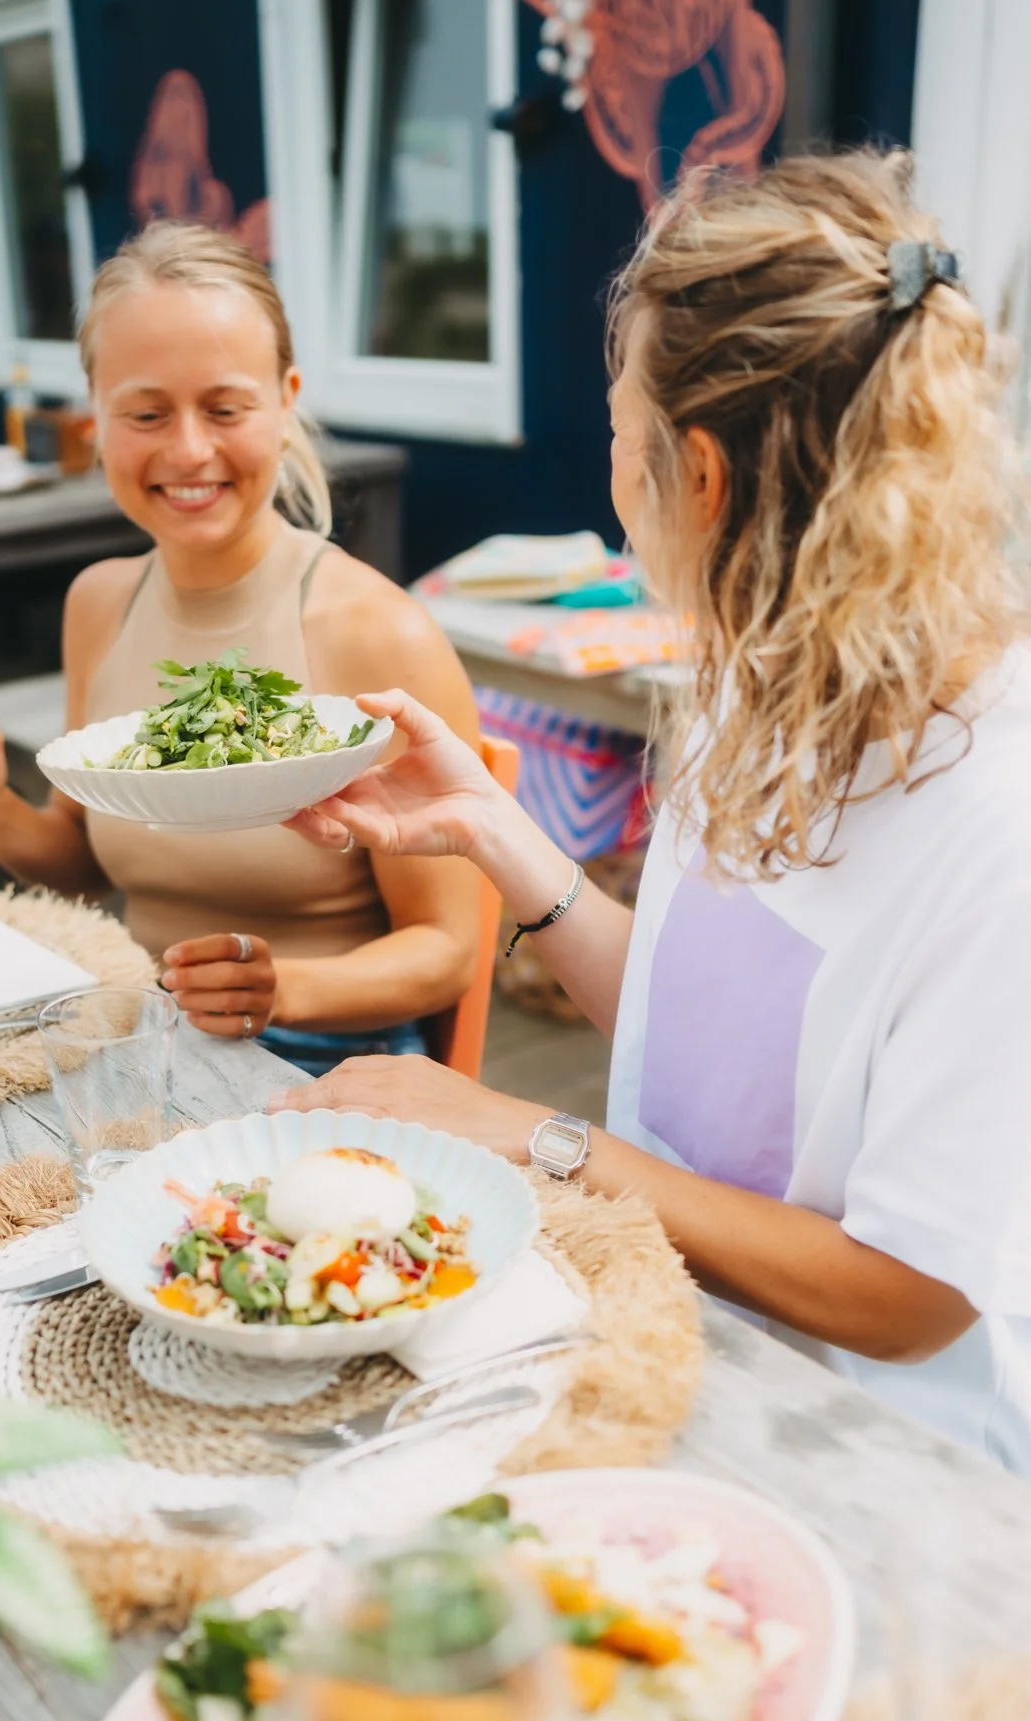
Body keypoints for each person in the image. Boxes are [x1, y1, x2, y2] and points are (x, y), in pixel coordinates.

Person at [275, 152, 1031, 1472]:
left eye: (618, 442)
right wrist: (502, 842)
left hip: (875, 1470)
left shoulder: (995, 823)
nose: (612, 486)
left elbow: (906, 1299)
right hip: (666, 1350)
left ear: (700, 475)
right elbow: (702, 1064)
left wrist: (530, 1135)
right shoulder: (762, 668)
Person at [0, 222, 480, 1077]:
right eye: (145, 413)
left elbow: (447, 948)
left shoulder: (375, 632)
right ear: (95, 418)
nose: (188, 450)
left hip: (325, 1056)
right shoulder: (98, 602)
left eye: (224, 407)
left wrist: (284, 989)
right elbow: (82, 865)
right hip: (136, 1034)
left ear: (285, 400)